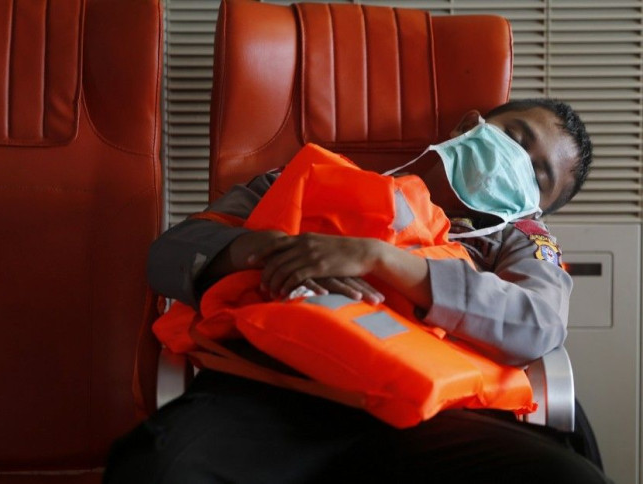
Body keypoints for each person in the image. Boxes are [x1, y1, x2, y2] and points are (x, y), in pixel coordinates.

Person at [104, 98, 613, 484]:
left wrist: (383, 261)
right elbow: (168, 255)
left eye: (537, 174)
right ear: (470, 126)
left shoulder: (519, 243)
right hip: (274, 394)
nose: (517, 161)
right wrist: (271, 250)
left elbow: (538, 325)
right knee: (158, 469)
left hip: (433, 415)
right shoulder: (314, 179)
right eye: (516, 137)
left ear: (532, 206)